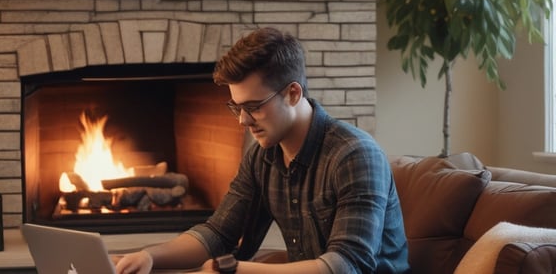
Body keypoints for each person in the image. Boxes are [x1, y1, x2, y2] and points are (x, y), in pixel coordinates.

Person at [114, 27, 409, 274]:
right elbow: (218, 232)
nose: (243, 120)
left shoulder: (354, 155)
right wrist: (150, 257)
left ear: (293, 93)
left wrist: (237, 269)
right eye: (236, 107)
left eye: (254, 107)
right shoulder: (262, 158)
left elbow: (347, 265)